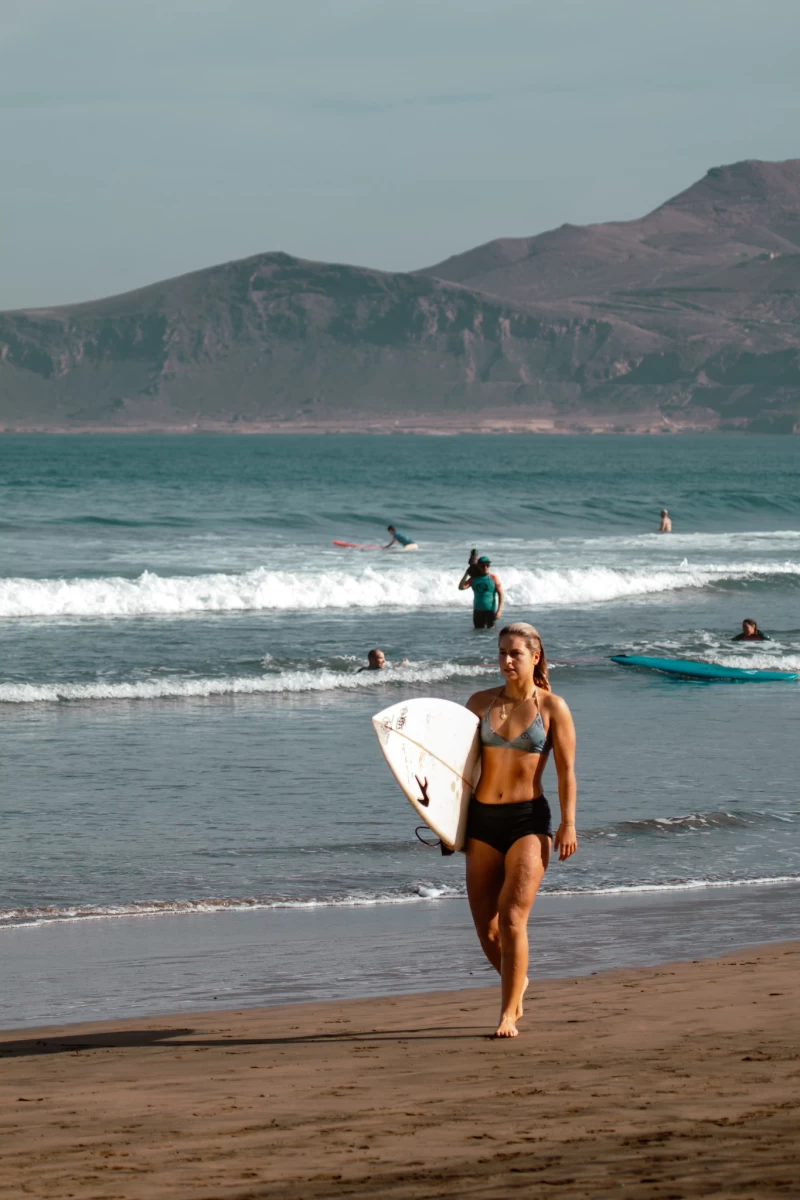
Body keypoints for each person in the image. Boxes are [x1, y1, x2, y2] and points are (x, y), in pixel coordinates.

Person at [464, 623, 577, 1038]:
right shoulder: (478, 704)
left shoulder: (552, 708)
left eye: (514, 653)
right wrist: (445, 823)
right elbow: (457, 771)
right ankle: (519, 981)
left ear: (535, 655)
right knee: (487, 929)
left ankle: (508, 1013)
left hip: (528, 821)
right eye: (501, 653)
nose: (506, 661)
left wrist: (568, 823)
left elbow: (566, 772)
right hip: (481, 822)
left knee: (513, 918)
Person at [458, 555, 503, 629]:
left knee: (490, 633)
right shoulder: (474, 579)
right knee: (478, 634)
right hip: (478, 611)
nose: (485, 567)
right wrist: (466, 573)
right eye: (483, 566)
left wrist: (499, 611)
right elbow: (461, 587)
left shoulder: (493, 578)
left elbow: (501, 594)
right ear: (478, 566)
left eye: (487, 565)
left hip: (490, 611)